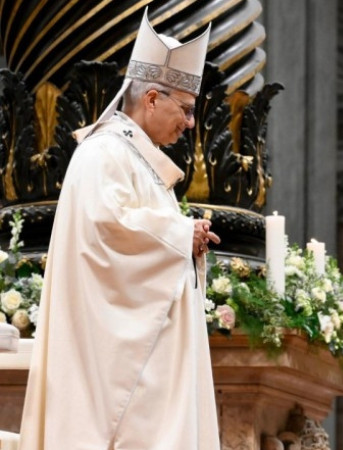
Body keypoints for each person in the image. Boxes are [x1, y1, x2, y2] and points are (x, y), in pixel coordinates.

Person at [19, 10, 222, 449]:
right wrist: (176, 234)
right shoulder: (104, 154)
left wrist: (184, 239)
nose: (189, 123)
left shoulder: (139, 161)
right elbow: (106, 235)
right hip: (126, 384)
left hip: (158, 368)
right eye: (185, 110)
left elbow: (137, 232)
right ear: (152, 99)